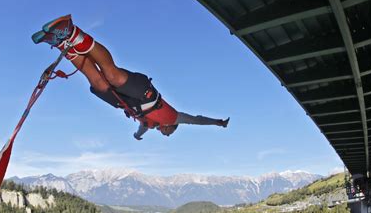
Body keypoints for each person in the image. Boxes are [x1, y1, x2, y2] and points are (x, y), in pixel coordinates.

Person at [32, 15, 229, 140]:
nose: (165, 135)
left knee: (98, 83)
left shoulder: (149, 125)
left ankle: (62, 43)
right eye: (168, 134)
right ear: (171, 127)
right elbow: (197, 120)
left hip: (125, 102)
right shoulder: (174, 118)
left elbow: (141, 130)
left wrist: (136, 136)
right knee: (113, 75)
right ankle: (74, 34)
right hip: (145, 93)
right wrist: (218, 122)